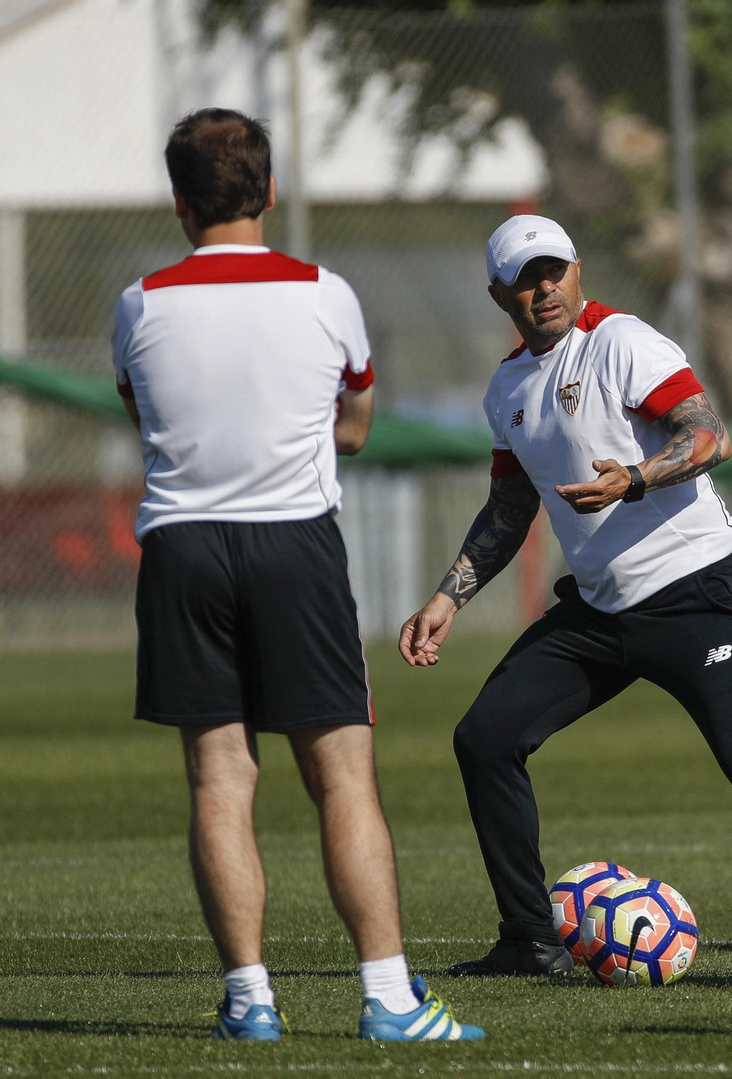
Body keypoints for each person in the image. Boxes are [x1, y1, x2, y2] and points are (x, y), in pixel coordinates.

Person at [398, 215, 732, 980]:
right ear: (497, 294)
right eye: (525, 278)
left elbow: (710, 436)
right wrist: (450, 595)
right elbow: (510, 510)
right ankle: (531, 941)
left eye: (554, 270)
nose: (543, 288)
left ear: (577, 270)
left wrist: (636, 476)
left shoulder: (623, 341)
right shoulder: (507, 388)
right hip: (599, 611)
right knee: (484, 737)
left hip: (696, 592)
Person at [113, 109, 482, 1042]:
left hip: (184, 547)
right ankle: (391, 999)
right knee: (343, 776)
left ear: (180, 201)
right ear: (270, 191)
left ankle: (251, 1000)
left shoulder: (140, 303)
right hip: (294, 544)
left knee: (219, 779)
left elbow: (145, 417)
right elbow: (353, 423)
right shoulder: (326, 292)